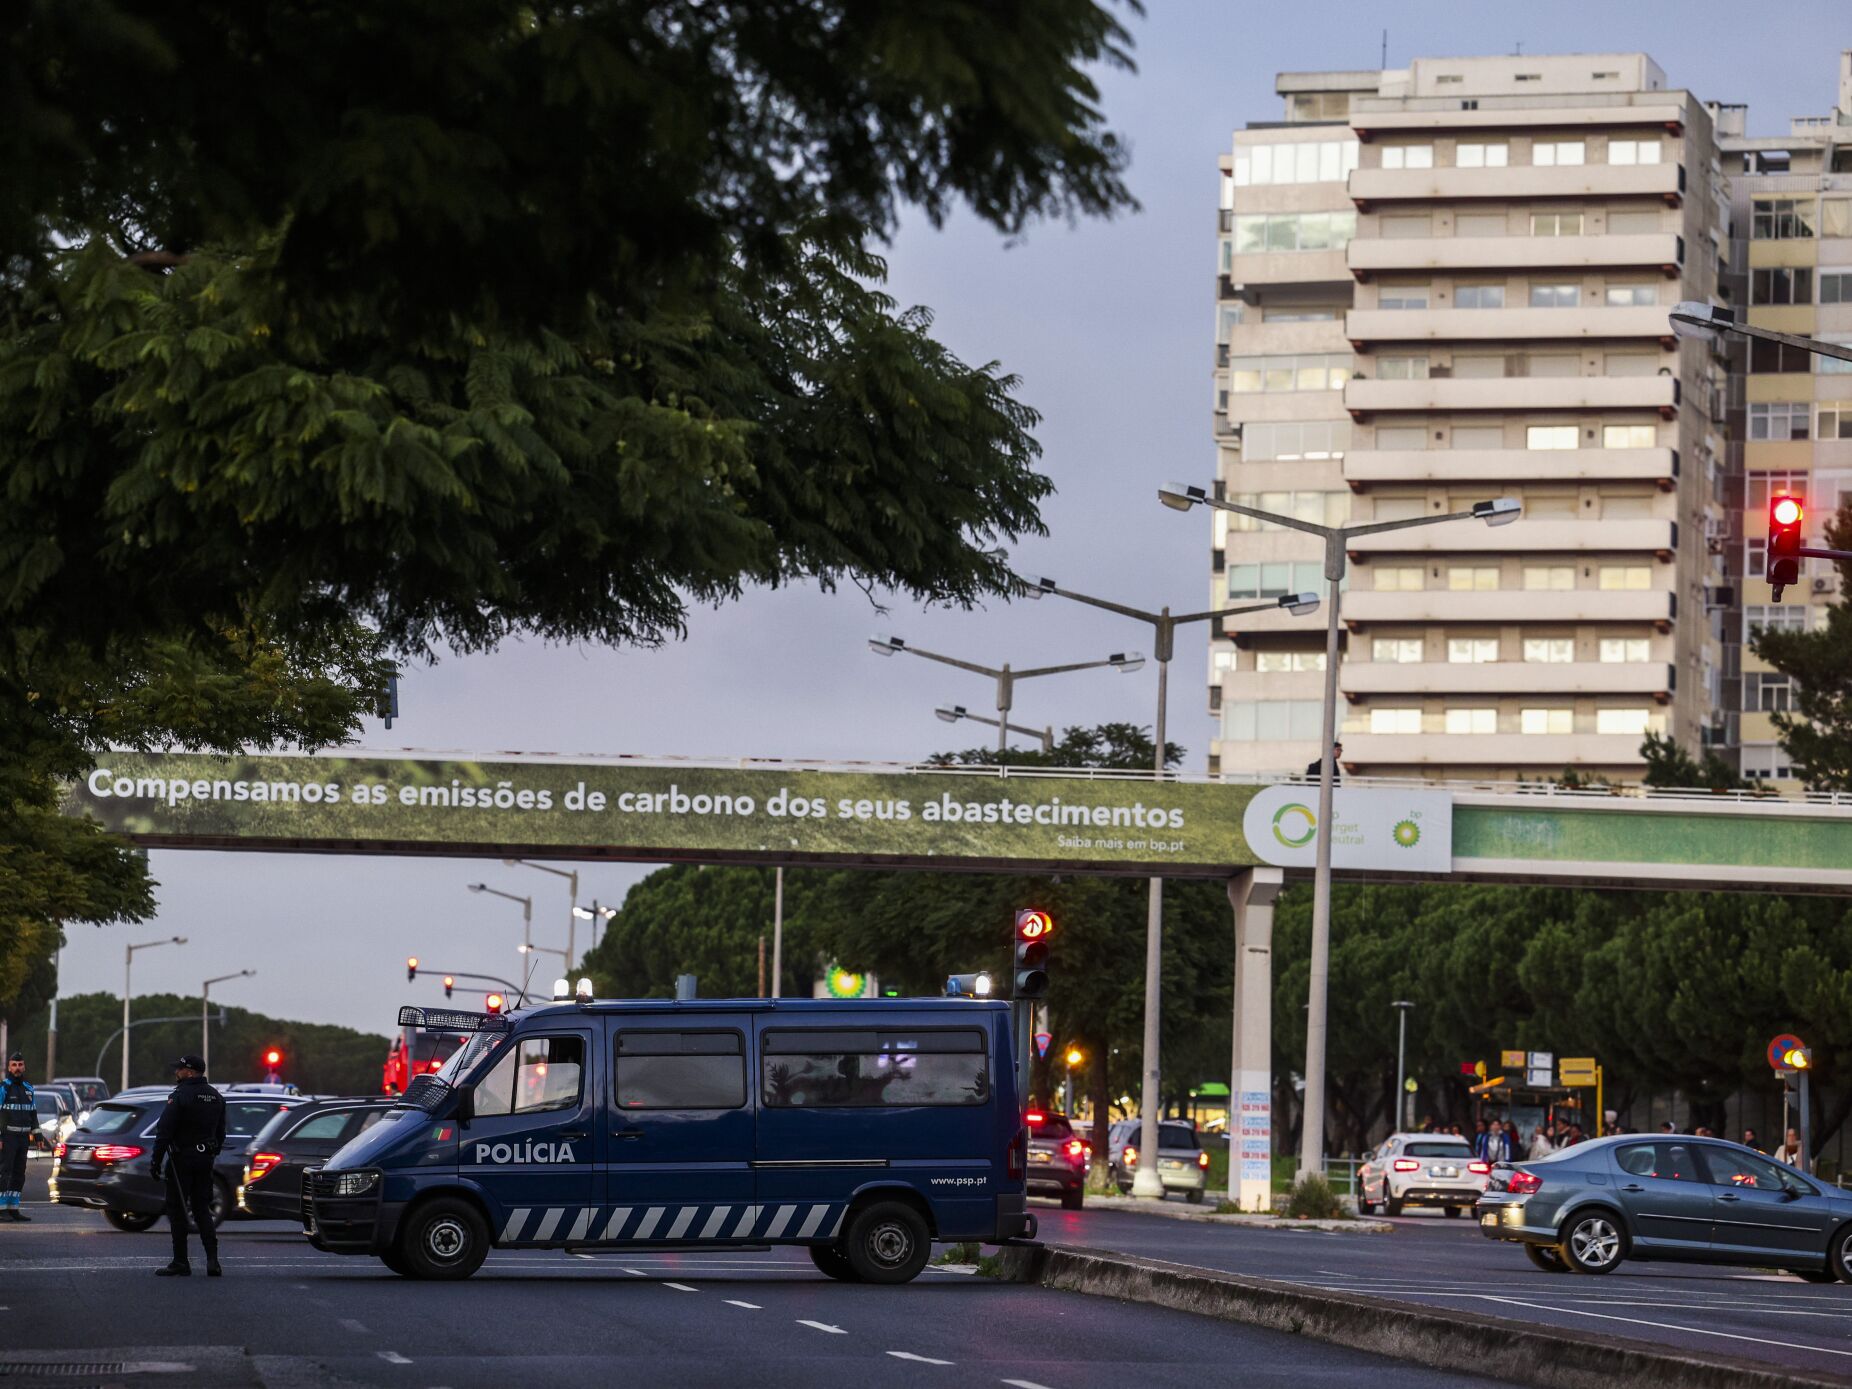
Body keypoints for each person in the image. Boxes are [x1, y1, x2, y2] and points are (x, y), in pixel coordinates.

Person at [149, 1054, 226, 1277]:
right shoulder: (216, 1096)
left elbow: (164, 1131)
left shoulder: (181, 1096)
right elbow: (221, 1132)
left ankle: (181, 1261)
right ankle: (213, 1261)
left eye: (180, 1069)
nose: (177, 1072)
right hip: (205, 1160)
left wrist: (156, 1160)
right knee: (202, 1208)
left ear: (190, 1072)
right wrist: (212, 1153)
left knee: (177, 1209)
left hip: (181, 1160)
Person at [0, 1054, 34, 1221]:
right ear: (9, 1068)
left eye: (20, 1064)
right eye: (14, 1065)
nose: (17, 1068)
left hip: (23, 1138)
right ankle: (1, 1209)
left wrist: (38, 1134)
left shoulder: (28, 1088)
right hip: (8, 1137)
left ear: (24, 1067)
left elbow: (33, 1113)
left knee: (19, 1173)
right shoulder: (4, 1087)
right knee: (4, 1172)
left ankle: (13, 1208)